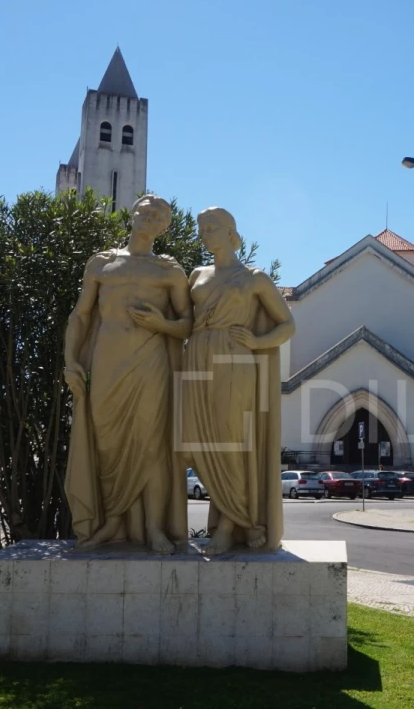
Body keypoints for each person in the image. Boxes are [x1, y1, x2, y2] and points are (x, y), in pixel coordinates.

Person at [63, 194, 192, 552]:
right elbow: (81, 315)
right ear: (133, 215)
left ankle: (153, 527)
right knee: (108, 445)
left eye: (158, 218)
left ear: (164, 228)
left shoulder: (169, 270)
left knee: (150, 445)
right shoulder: (102, 263)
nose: (149, 220)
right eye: (145, 213)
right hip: (106, 363)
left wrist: (160, 324)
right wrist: (70, 360)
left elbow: (187, 326)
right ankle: (112, 524)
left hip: (150, 362)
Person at [182, 207, 296, 555]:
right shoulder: (196, 274)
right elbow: (184, 320)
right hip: (197, 358)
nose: (204, 233)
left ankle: (231, 524)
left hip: (234, 359)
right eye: (201, 228)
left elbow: (287, 325)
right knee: (195, 443)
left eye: (211, 227)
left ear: (230, 231)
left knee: (230, 443)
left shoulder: (254, 278)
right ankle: (235, 517)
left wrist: (258, 343)